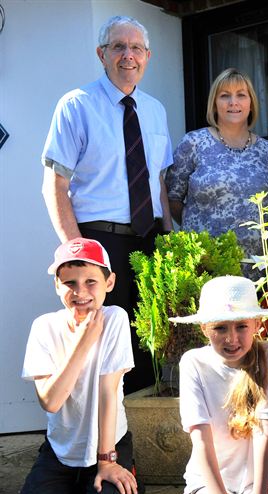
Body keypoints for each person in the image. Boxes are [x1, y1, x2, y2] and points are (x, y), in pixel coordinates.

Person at [41, 15, 173, 392]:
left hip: (149, 240)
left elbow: (157, 182)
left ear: (147, 56)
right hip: (100, 242)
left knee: (148, 343)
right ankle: (102, 426)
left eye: (136, 48)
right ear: (102, 54)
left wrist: (167, 239)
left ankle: (138, 423)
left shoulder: (155, 109)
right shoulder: (76, 105)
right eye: (118, 47)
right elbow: (54, 184)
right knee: (101, 345)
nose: (128, 55)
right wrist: (77, 254)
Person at [10, 238, 141, 494]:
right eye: (70, 283)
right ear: (57, 285)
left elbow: (107, 393)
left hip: (108, 442)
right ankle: (72, 487)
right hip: (62, 446)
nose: (80, 292)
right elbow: (51, 401)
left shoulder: (115, 318)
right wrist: (83, 342)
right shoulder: (44, 327)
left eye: (90, 282)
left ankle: (116, 476)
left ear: (109, 282)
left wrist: (107, 461)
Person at [170, 276, 268, 494]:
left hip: (262, 479)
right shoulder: (193, 363)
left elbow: (265, 430)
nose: (232, 338)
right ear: (204, 328)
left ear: (257, 324)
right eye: (220, 328)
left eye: (241, 326)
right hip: (210, 480)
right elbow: (201, 438)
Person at [166, 68, 268, 271]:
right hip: (205, 265)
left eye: (241, 95)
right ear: (214, 103)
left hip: (260, 269)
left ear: (251, 103)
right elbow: (171, 198)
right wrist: (199, 228)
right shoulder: (194, 143)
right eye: (225, 95)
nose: (233, 102)